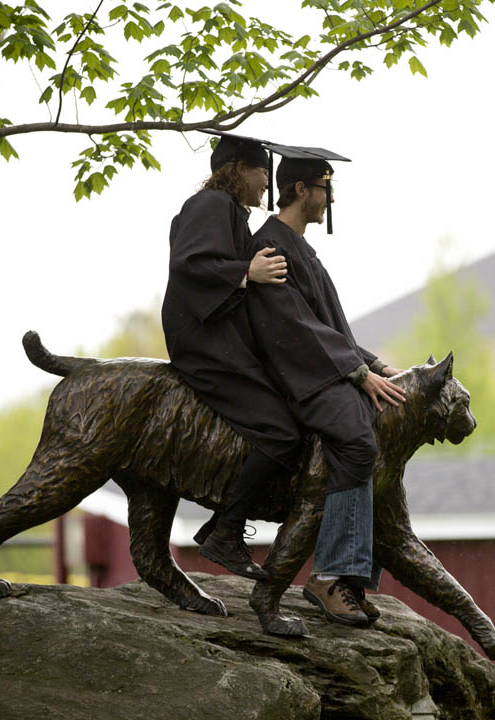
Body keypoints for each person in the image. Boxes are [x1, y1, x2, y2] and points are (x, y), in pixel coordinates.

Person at [245, 152, 405, 627]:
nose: (329, 197)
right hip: (297, 379)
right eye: (324, 187)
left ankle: (351, 578)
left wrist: (375, 364)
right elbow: (295, 329)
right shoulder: (271, 248)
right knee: (356, 440)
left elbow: (330, 326)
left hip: (323, 370)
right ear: (300, 190)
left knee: (379, 426)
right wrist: (357, 374)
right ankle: (328, 577)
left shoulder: (299, 248)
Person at [161, 133, 300, 580]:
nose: (267, 183)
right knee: (280, 430)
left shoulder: (228, 212)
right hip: (203, 341)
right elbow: (189, 265)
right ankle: (226, 531)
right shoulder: (211, 206)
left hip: (215, 337)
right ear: (238, 168)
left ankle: (222, 525)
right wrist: (248, 271)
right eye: (263, 172)